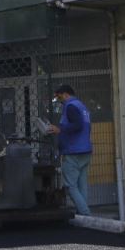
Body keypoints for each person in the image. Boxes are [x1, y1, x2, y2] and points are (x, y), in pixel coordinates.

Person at [48, 84, 92, 216]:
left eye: (59, 96)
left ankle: (85, 213)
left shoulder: (71, 106)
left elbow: (77, 125)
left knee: (70, 186)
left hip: (73, 151)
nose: (59, 99)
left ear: (66, 94)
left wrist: (59, 130)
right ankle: (84, 215)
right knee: (81, 184)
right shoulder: (82, 106)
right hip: (85, 150)